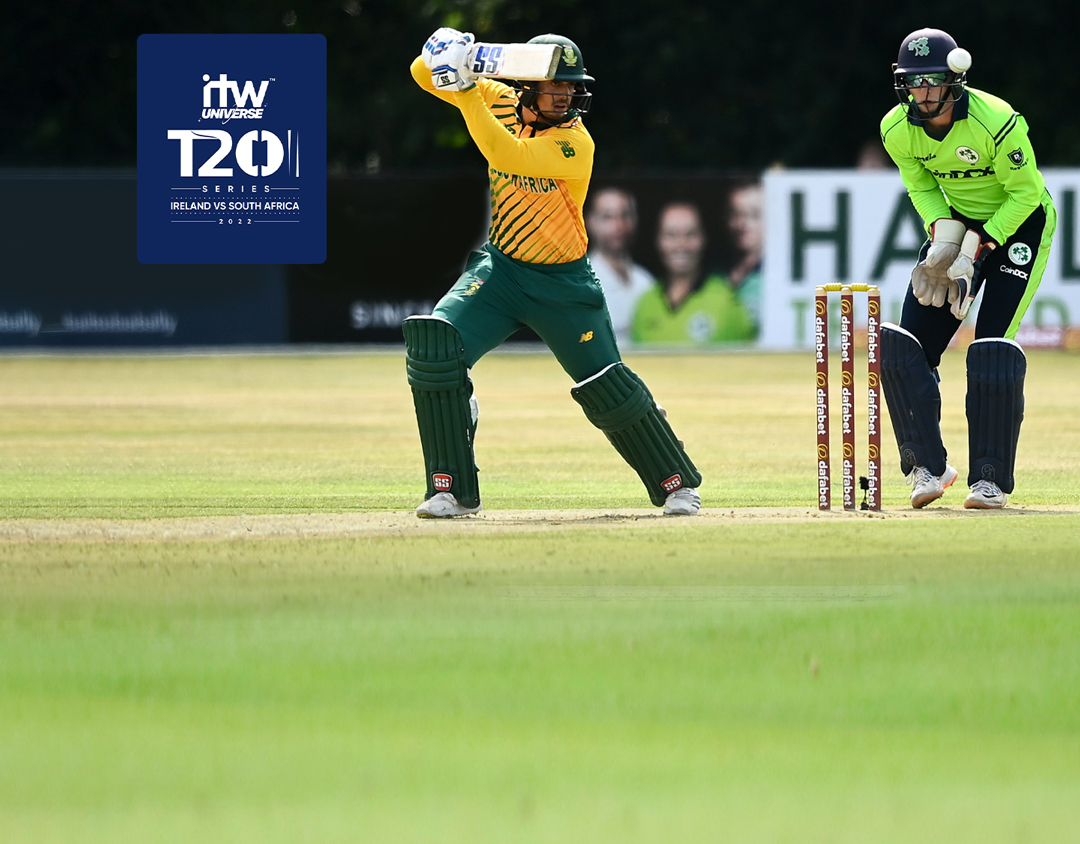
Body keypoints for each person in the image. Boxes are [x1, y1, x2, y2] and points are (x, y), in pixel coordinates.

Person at [404, 28, 702, 517]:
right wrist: (449, 52)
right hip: (500, 272)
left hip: (563, 284)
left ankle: (676, 483)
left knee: (606, 386)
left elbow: (506, 155)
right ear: (524, 86)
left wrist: (463, 89)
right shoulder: (495, 95)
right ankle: (450, 489)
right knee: (437, 348)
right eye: (553, 86)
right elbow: (421, 73)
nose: (564, 96)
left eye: (570, 87)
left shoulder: (574, 142)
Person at [878, 27, 1056, 509]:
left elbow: (1025, 193)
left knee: (991, 348)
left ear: (955, 80)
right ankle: (928, 468)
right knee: (900, 347)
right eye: (913, 83)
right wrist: (943, 235)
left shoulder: (997, 120)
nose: (922, 94)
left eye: (932, 83)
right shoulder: (896, 129)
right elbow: (922, 187)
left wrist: (979, 245)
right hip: (958, 228)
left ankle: (989, 480)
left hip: (1019, 228)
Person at [631, 202, 755, 345]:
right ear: (658, 241)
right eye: (671, 235)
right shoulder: (645, 303)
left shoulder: (726, 301)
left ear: (704, 239)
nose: (681, 244)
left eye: (691, 234)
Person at [584, 187, 654, 346]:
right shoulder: (580, 283)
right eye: (607, 217)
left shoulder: (646, 281)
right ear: (590, 222)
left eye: (625, 215)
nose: (618, 225)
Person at [722, 181, 764, 335]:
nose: (742, 224)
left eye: (754, 215)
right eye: (735, 214)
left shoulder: (778, 278)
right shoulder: (715, 275)